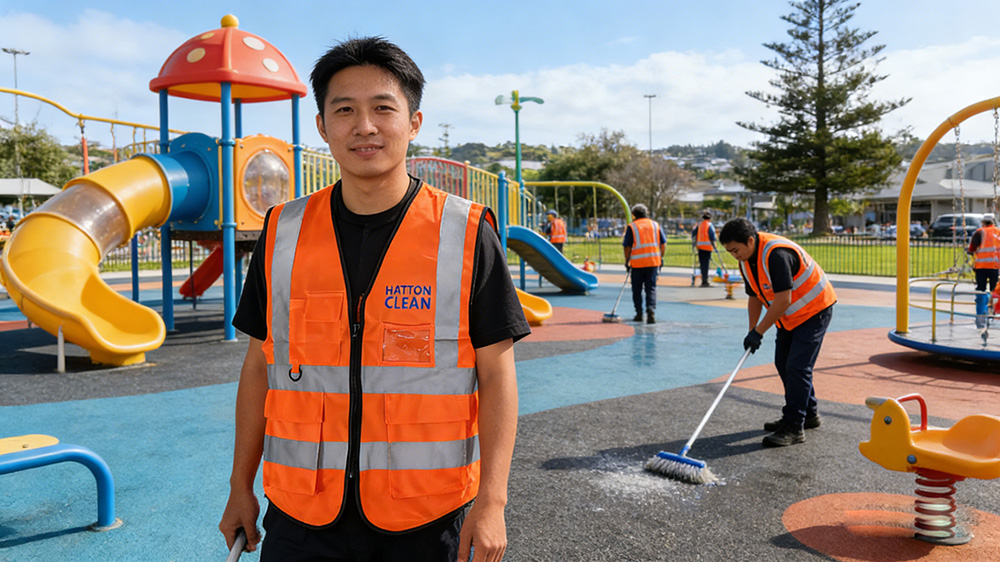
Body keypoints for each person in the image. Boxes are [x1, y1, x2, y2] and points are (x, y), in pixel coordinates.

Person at [219, 37, 529, 562]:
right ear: (322, 126)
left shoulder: (465, 231)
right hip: (301, 516)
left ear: (413, 122)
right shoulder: (282, 232)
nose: (364, 126)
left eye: (383, 108)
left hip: (424, 519)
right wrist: (239, 485)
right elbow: (258, 367)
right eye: (344, 110)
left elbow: (497, 374)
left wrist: (493, 500)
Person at [719, 218, 837, 448]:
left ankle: (794, 426)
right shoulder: (746, 260)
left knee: (797, 367)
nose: (734, 255)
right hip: (790, 316)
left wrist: (760, 332)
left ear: (750, 241)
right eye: (729, 251)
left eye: (735, 249)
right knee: (782, 362)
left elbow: (783, 300)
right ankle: (809, 413)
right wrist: (752, 330)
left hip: (814, 309)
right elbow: (754, 296)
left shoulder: (776, 255)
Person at [623, 204, 665, 324]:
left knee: (636, 289)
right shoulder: (655, 225)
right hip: (653, 262)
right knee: (650, 288)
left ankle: (639, 313)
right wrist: (661, 257)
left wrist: (627, 261)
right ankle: (650, 309)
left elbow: (627, 246)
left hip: (637, 263)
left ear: (634, 215)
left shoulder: (632, 227)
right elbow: (663, 243)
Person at [968, 214, 1000, 329]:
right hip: (995, 267)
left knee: (981, 289)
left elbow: (972, 248)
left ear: (983, 223)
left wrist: (970, 251)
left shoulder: (980, 232)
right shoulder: (998, 232)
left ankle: (980, 316)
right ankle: (993, 314)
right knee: (994, 290)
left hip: (981, 267)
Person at [691, 212, 717, 287]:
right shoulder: (709, 225)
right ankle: (705, 280)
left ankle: (704, 279)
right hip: (707, 247)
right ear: (710, 219)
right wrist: (714, 246)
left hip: (700, 247)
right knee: (706, 264)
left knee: (702, 264)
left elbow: (693, 233)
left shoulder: (699, 225)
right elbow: (712, 236)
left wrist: (694, 242)